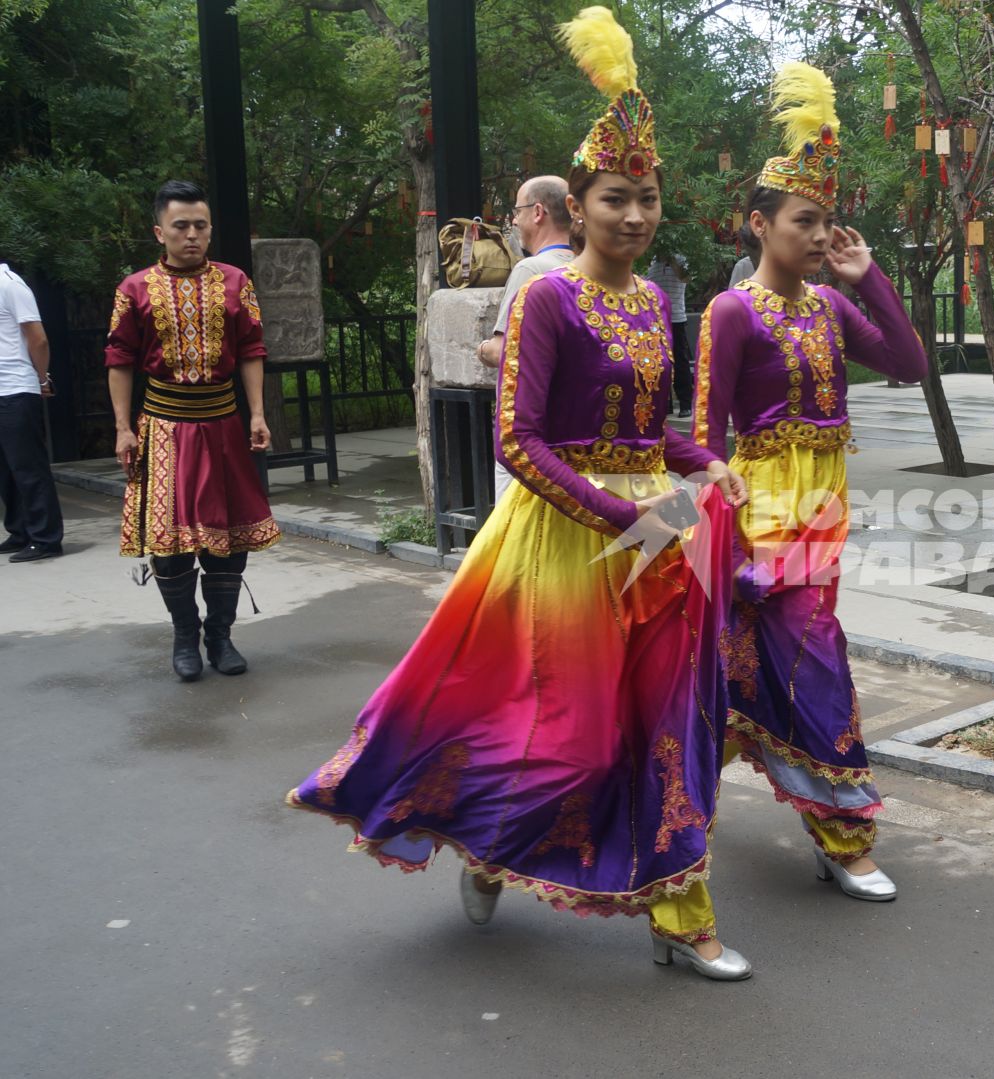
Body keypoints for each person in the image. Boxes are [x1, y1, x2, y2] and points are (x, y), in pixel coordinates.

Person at [288, 6, 755, 981]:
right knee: (567, 743)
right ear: (577, 205)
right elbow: (519, 437)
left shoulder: (650, 298)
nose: (635, 216)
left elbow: (645, 428)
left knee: (672, 723)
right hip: (566, 535)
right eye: (618, 198)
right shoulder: (547, 295)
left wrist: (697, 463)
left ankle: (683, 915)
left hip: (659, 535)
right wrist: (627, 513)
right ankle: (487, 836)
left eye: (649, 201)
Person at [694, 62, 927, 903]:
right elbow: (703, 429)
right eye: (804, 220)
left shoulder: (830, 307)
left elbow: (907, 364)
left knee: (750, 667)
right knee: (807, 660)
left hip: (821, 509)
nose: (820, 234)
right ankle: (841, 834)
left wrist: (867, 278)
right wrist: (715, 519)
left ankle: (676, 805)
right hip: (759, 511)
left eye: (827, 220)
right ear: (759, 224)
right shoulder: (733, 313)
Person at [107, 181, 280, 680]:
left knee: (229, 535)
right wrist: (123, 428)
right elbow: (119, 360)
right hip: (162, 428)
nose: (191, 235)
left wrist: (258, 414)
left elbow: (251, 349)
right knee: (170, 541)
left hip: (223, 424)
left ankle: (220, 636)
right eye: (180, 226)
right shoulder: (134, 289)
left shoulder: (234, 282)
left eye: (200, 226)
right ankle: (185, 634)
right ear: (159, 231)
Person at [478, 175, 575, 498]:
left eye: (517, 211)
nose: (515, 221)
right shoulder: (588, 269)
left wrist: (482, 348)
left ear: (537, 212)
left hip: (528, 431)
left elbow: (505, 349)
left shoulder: (531, 270)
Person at [0, 261, 63, 563]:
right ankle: (20, 531)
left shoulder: (10, 284)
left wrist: (42, 378)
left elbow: (37, 337)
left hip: (16, 388)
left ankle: (46, 537)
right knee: (6, 471)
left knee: (28, 468)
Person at [645, 251, 694, 417]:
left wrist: (671, 260)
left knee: (680, 361)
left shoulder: (680, 259)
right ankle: (665, 403)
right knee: (660, 362)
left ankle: (686, 403)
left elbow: (687, 278)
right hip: (655, 320)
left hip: (676, 318)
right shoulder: (652, 261)